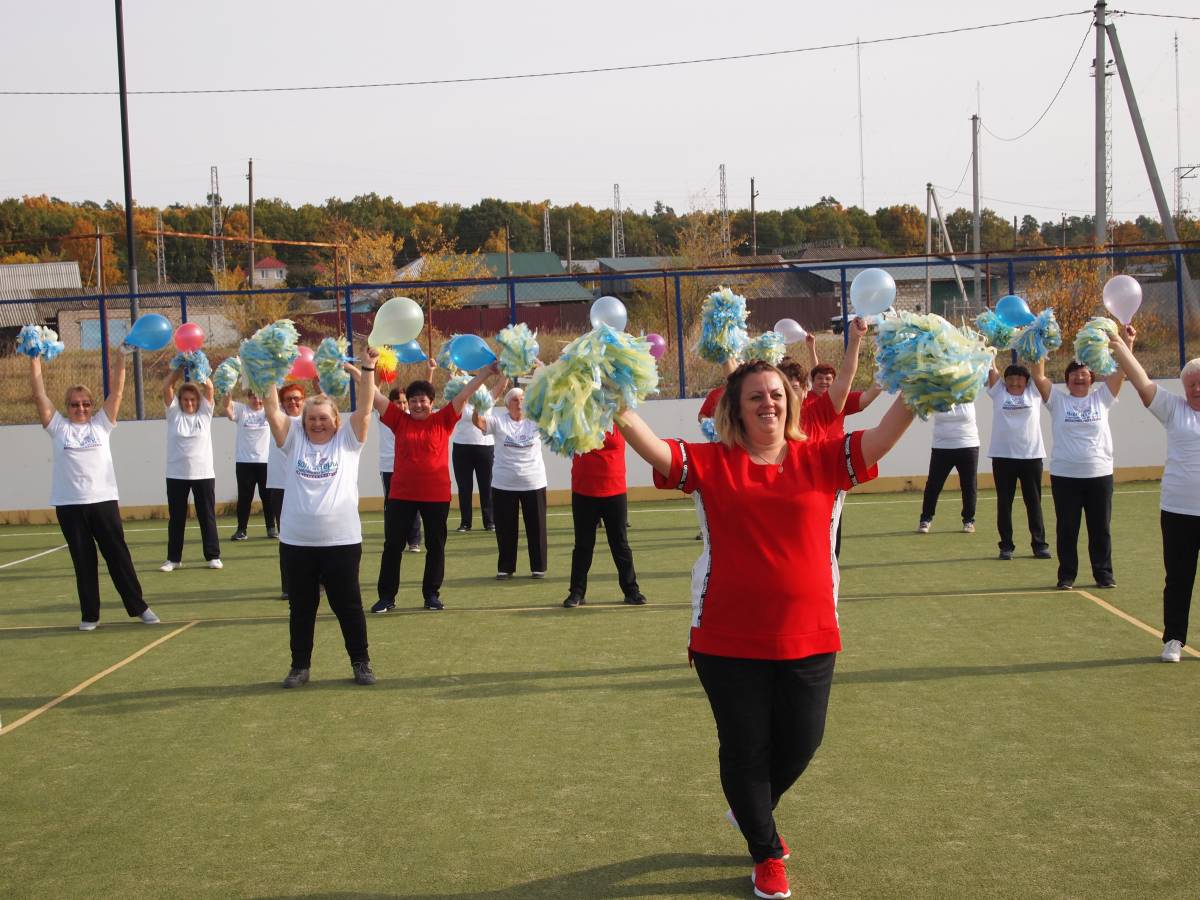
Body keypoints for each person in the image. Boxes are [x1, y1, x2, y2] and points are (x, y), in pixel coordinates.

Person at [616, 360, 915, 900]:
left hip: (812, 631)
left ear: (791, 401)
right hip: (726, 638)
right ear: (736, 408)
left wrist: (922, 390)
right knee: (744, 749)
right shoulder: (712, 463)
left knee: (803, 740)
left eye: (775, 394)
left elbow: (883, 438)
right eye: (754, 396)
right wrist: (614, 404)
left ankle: (751, 809)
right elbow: (657, 450)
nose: (768, 403)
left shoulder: (823, 456)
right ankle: (766, 851)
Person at [262, 346, 378, 688]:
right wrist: (267, 372)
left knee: (349, 606)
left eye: (323, 418)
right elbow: (272, 411)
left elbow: (367, 407)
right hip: (297, 542)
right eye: (312, 418)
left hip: (341, 541)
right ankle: (300, 666)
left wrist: (368, 369)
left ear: (335, 421)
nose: (317, 423)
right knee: (301, 608)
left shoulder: (348, 440)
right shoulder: (294, 437)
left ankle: (361, 662)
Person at [30, 347, 160, 631]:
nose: (81, 409)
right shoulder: (58, 428)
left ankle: (139, 607)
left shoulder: (101, 424)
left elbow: (117, 393)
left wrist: (121, 357)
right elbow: (40, 395)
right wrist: (34, 359)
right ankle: (90, 615)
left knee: (117, 555)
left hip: (103, 501)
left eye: (86, 404)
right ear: (67, 406)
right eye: (75, 404)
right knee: (83, 560)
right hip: (69, 504)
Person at [371, 363, 495, 612]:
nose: (418, 405)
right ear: (408, 403)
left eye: (423, 400)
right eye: (413, 401)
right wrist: (363, 369)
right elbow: (374, 395)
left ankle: (431, 595)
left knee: (435, 546)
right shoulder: (399, 420)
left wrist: (486, 372)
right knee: (393, 546)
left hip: (436, 496)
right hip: (401, 495)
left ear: (431, 402)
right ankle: (387, 597)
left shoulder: (444, 419)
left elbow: (465, 393)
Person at [1109, 336, 1200, 663]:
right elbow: (1141, 381)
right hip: (1177, 510)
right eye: (1190, 384)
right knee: (1178, 578)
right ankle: (1174, 639)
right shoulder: (1173, 408)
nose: (1196, 389)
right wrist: (1120, 344)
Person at [1033, 329, 1133, 590]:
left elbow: (1122, 371)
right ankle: (1067, 575)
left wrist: (1127, 342)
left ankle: (1104, 574)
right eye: (1074, 372)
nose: (1079, 375)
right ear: (1067, 380)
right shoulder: (1057, 401)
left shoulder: (1102, 398)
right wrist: (1036, 343)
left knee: (1100, 528)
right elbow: (1038, 376)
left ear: (1092, 378)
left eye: (1084, 372)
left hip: (1099, 474)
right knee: (1067, 529)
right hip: (1066, 476)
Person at [802, 319, 882, 559]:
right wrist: (811, 350)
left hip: (833, 466)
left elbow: (864, 397)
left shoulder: (838, 401)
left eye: (829, 379)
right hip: (806, 467)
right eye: (820, 378)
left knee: (833, 516)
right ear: (810, 382)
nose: (824, 382)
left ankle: (831, 558)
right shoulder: (802, 402)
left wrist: (882, 382)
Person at [562, 426, 645, 608]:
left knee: (620, 543)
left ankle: (632, 591)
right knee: (583, 545)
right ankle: (577, 591)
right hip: (584, 489)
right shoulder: (579, 415)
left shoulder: (618, 416)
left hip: (614, 489)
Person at [473, 385, 548, 580]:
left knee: (537, 526)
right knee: (506, 528)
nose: (520, 402)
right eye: (515, 399)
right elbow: (479, 422)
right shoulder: (498, 421)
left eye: (523, 398)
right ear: (507, 405)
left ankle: (538, 567)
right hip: (504, 484)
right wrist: (477, 407)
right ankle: (506, 567)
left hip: (534, 482)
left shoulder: (536, 420)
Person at [986, 358, 1051, 561]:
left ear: (1026, 381)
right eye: (1011, 379)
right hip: (1003, 457)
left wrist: (1037, 347)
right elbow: (991, 369)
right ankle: (1006, 546)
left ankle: (1039, 544)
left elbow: (1038, 369)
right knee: (1004, 503)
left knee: (1034, 502)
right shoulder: (998, 392)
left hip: (1031, 457)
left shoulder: (1034, 392)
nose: (1015, 383)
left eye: (1020, 379)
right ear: (1005, 381)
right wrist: (989, 352)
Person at [160, 368, 221, 571]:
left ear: (199, 401)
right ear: (180, 401)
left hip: (203, 474)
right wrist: (180, 366)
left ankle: (213, 556)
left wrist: (197, 366)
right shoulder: (174, 413)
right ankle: (173, 559)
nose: (189, 403)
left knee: (207, 515)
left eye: (193, 400)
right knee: (176, 517)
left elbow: (209, 387)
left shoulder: (205, 413)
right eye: (185, 399)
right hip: (176, 474)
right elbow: (167, 386)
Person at [265, 383, 305, 599]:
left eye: (297, 398)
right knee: (287, 539)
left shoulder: (311, 421)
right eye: (288, 398)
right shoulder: (277, 419)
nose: (293, 402)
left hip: (305, 486)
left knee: (311, 536)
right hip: (280, 486)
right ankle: (288, 586)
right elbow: (269, 401)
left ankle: (317, 582)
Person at [918, 403, 980, 534]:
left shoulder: (969, 389)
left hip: (968, 444)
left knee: (969, 485)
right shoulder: (937, 392)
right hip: (941, 445)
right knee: (933, 485)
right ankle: (925, 519)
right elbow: (924, 414)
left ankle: (969, 520)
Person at [377, 387, 421, 553]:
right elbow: (374, 391)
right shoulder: (382, 416)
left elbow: (423, 391)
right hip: (388, 468)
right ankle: (393, 540)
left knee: (414, 504)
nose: (402, 405)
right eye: (398, 402)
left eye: (404, 402)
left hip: (409, 468)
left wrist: (430, 371)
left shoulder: (412, 417)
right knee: (391, 506)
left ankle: (414, 541)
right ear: (391, 403)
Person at [223, 388, 271, 541]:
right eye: (254, 398)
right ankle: (241, 530)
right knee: (245, 498)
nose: (257, 401)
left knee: (268, 497)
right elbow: (227, 407)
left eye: (260, 398)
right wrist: (228, 389)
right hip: (244, 462)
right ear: (248, 398)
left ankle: (271, 528)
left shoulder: (269, 411)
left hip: (266, 461)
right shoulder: (241, 410)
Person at [451, 377, 496, 534]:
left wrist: (507, 370)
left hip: (485, 447)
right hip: (462, 447)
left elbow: (502, 385)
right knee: (464, 487)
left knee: (486, 486)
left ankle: (490, 521)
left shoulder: (488, 398)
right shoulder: (459, 401)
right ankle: (465, 523)